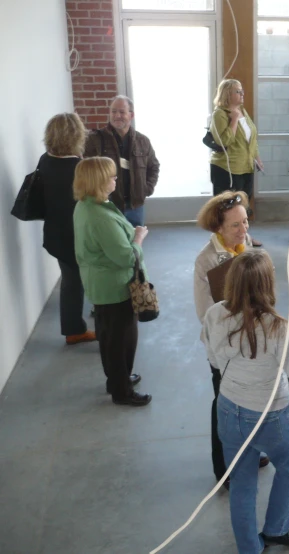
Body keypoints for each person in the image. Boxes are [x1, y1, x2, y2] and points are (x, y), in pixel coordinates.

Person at [203, 250, 289, 554]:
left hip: (229, 410)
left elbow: (214, 359)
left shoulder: (215, 313)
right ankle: (276, 530)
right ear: (267, 284)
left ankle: (250, 548)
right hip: (271, 417)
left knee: (242, 485)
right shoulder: (277, 327)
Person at [194, 191, 272, 486]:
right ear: (218, 228)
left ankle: (250, 451)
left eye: (245, 222)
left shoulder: (245, 245)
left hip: (252, 339)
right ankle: (223, 467)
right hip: (224, 348)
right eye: (235, 226)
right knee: (224, 405)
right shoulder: (206, 261)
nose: (244, 230)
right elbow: (206, 314)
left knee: (251, 400)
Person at [73, 157, 152, 406]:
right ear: (98, 181)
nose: (116, 179)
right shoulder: (101, 217)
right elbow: (126, 257)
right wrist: (138, 238)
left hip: (100, 285)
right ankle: (122, 390)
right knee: (122, 341)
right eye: (111, 175)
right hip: (115, 287)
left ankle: (116, 380)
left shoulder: (86, 205)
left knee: (108, 337)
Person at [38, 112, 96, 345]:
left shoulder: (45, 160)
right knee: (83, 280)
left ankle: (74, 326)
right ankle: (76, 329)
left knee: (71, 279)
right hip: (77, 235)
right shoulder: (78, 167)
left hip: (55, 233)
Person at [84, 95, 159, 227]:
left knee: (136, 243)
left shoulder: (143, 141)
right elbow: (86, 171)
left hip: (135, 207)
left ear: (131, 115)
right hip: (107, 206)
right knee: (112, 245)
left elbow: (153, 166)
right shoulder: (95, 140)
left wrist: (147, 188)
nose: (117, 115)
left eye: (122, 112)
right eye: (113, 111)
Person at [210, 79, 264, 247]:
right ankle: (223, 242)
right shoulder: (220, 114)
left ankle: (243, 238)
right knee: (227, 210)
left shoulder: (242, 110)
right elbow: (223, 141)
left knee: (242, 208)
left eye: (242, 91)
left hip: (246, 166)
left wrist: (257, 157)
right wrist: (233, 120)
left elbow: (251, 137)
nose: (242, 94)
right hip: (227, 169)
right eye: (237, 92)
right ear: (227, 93)